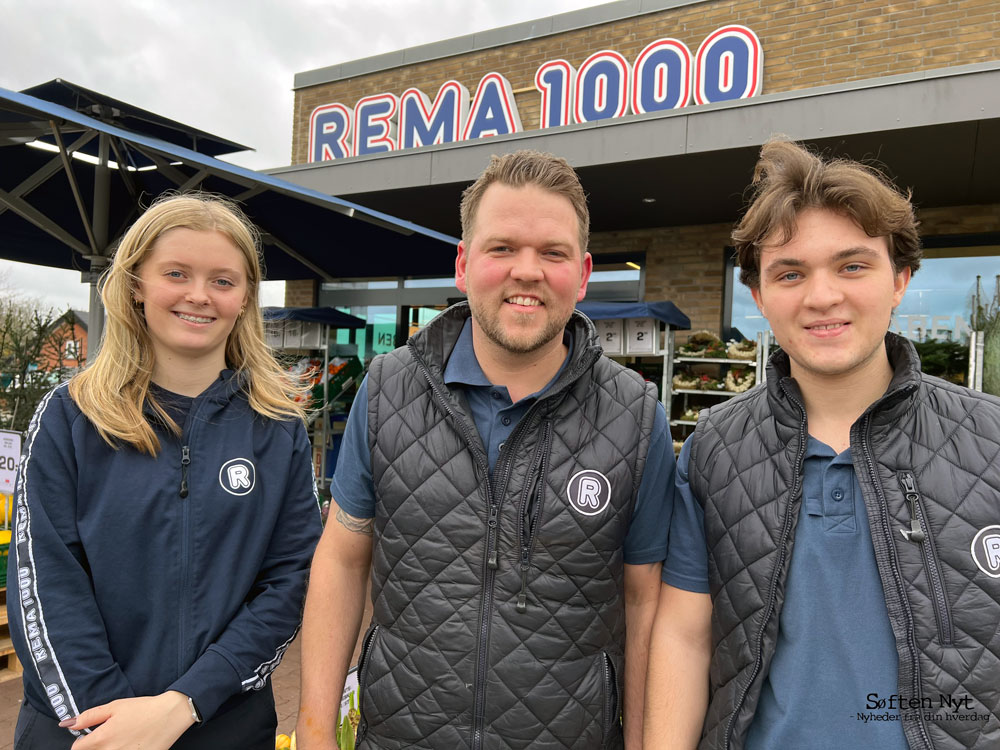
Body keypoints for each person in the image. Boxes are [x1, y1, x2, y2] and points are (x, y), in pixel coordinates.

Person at [297, 150, 675, 749]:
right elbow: (342, 561)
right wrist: (314, 736)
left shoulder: (637, 416)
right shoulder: (386, 389)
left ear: (581, 275)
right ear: (464, 265)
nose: (527, 271)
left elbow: (645, 601)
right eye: (502, 249)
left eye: (552, 253)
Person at [644, 139, 1000, 749]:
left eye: (853, 265)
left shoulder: (989, 438)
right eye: (790, 273)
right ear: (758, 298)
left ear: (900, 280)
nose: (822, 296)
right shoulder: (715, 448)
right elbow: (684, 634)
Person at [8, 194, 323, 749]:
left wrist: (184, 704)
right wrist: (112, 723)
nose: (199, 295)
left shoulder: (277, 428)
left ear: (245, 297)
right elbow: (46, 584)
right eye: (176, 273)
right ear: (136, 284)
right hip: (82, 733)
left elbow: (289, 583)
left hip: (225, 727)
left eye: (223, 280)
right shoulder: (70, 416)